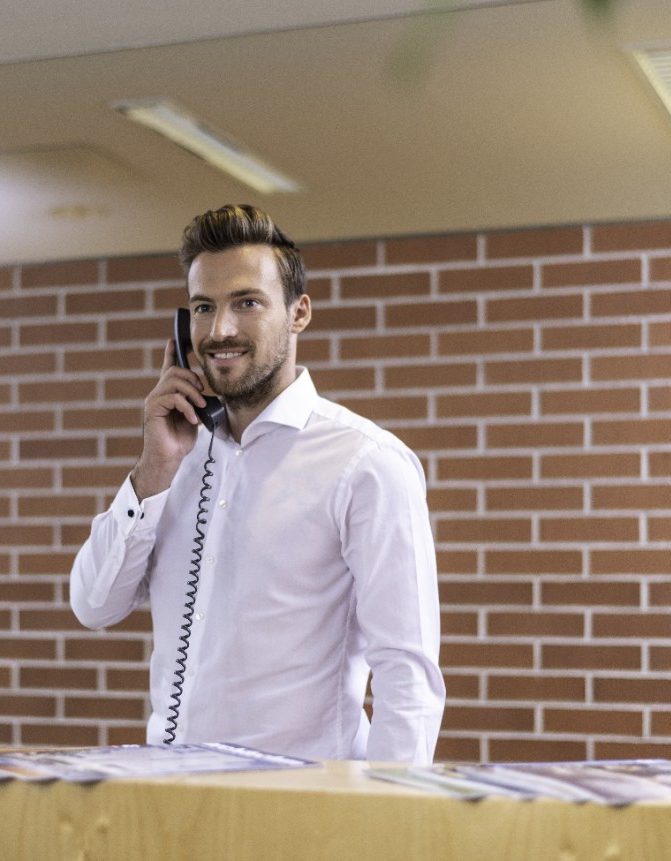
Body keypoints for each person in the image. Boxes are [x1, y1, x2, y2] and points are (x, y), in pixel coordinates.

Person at [70, 204, 445, 763]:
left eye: (247, 303)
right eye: (203, 308)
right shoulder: (175, 456)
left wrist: (386, 823)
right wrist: (153, 471)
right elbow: (93, 604)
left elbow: (407, 676)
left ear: (299, 314)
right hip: (167, 803)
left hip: (302, 812)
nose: (220, 330)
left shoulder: (367, 463)